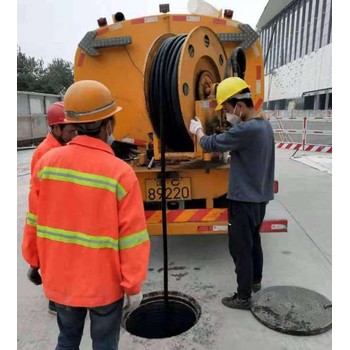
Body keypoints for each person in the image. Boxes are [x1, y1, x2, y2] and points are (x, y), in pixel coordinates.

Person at [22, 80, 151, 349]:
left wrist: (34, 261)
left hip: (61, 281)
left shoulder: (46, 164)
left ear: (74, 123)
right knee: (104, 344)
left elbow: (33, 219)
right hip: (104, 287)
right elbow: (132, 237)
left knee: (67, 340)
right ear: (107, 125)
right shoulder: (120, 173)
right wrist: (133, 285)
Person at [189, 77, 275, 310]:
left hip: (243, 200)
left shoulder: (246, 129)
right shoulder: (265, 126)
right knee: (254, 242)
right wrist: (234, 155)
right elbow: (253, 155)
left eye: (227, 108)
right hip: (260, 198)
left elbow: (210, 143)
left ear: (238, 104)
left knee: (239, 248)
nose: (227, 114)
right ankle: (256, 281)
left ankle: (243, 297)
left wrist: (198, 131)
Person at [28, 101, 77, 315]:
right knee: (55, 263)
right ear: (55, 128)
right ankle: (54, 302)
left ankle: (65, 297)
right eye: (69, 129)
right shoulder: (44, 153)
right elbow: (38, 195)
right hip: (53, 218)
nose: (73, 133)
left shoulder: (64, 147)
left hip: (66, 214)